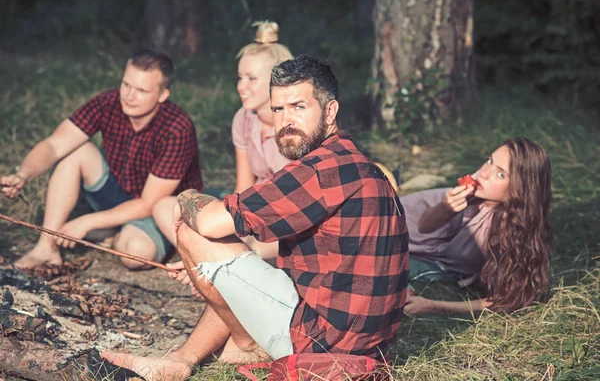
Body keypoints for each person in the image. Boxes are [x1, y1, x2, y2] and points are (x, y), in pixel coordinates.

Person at [101, 56, 409, 380]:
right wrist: (219, 265)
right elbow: (281, 248)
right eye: (278, 109)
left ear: (330, 111)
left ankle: (246, 344)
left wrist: (186, 198)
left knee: (196, 233)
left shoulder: (318, 170)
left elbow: (208, 223)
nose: (286, 121)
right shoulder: (360, 165)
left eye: (298, 107)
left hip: (320, 347)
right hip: (365, 346)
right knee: (235, 260)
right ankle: (180, 360)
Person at [0, 49, 203, 270]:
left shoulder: (177, 128)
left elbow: (149, 203)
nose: (129, 95)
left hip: (158, 209)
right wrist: (23, 175)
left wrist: (87, 221)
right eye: (126, 85)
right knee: (76, 150)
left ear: (162, 95)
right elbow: (54, 145)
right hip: (118, 190)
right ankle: (46, 246)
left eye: (142, 90)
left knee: (135, 252)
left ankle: (116, 235)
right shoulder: (108, 102)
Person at [152, 21, 291, 260]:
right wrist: (233, 224)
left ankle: (212, 265)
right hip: (254, 210)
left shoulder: (294, 127)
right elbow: (244, 187)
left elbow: (294, 205)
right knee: (166, 206)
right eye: (240, 77)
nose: (241, 87)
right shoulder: (244, 119)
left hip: (287, 224)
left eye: (251, 78)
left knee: (249, 248)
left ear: (277, 82)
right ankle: (206, 261)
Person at [402, 137, 552, 315]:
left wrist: (431, 306)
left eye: (501, 174)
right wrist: (445, 207)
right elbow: (424, 227)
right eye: (489, 161)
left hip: (431, 255)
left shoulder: (511, 228)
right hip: (409, 227)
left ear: (520, 190)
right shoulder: (475, 190)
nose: (484, 174)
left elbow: (507, 300)